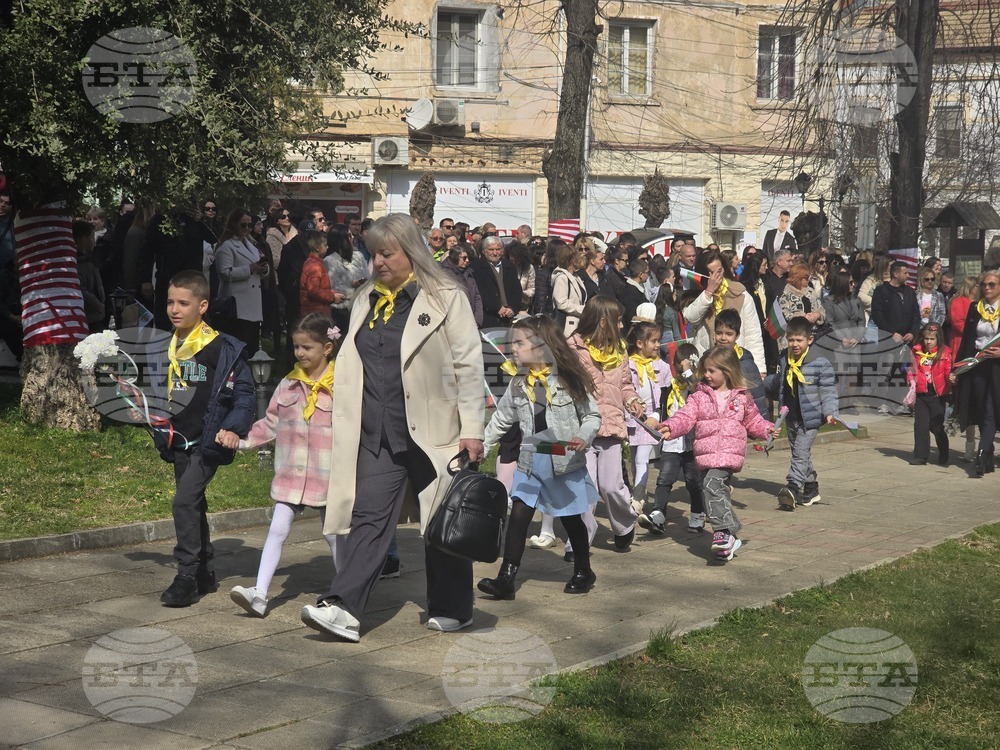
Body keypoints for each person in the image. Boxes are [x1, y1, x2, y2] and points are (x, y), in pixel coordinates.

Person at [300, 213, 484, 642]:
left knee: (442, 522)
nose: (378, 262)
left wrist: (472, 429)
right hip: (376, 431)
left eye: (387, 253)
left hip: (435, 430)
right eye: (373, 253)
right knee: (367, 517)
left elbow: (469, 367)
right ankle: (344, 607)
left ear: (411, 252)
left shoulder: (446, 298)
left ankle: (454, 608)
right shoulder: (366, 298)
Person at [222, 315, 342, 617]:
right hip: (291, 475)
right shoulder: (287, 385)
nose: (300, 353)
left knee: (334, 535)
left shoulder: (343, 385)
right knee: (277, 530)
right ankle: (260, 594)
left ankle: (345, 594)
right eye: (296, 347)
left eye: (307, 347)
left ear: (327, 347)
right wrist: (242, 440)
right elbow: (271, 423)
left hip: (328, 476)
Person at [478, 316, 602, 599]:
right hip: (530, 461)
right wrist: (482, 446)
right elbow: (501, 419)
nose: (513, 349)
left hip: (563, 461)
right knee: (519, 514)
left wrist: (584, 435)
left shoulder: (567, 380)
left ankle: (584, 569)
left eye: (520, 343)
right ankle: (506, 578)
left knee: (571, 518)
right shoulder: (519, 383)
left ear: (541, 347)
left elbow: (592, 414)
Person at [156, 271, 255, 606]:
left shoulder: (221, 347)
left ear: (202, 305)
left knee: (183, 501)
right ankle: (204, 572)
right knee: (193, 505)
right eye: (170, 301)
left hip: (207, 441)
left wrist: (233, 428)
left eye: (183, 303)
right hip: (178, 440)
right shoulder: (168, 344)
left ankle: (185, 576)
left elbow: (244, 395)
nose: (174, 308)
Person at [658, 346, 776, 561]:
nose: (706, 375)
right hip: (705, 455)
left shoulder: (741, 397)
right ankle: (729, 539)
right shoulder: (699, 396)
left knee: (713, 485)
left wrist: (766, 429)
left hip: (729, 454)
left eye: (712, 371)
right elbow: (685, 416)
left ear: (727, 371)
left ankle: (721, 531)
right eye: (705, 370)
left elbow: (753, 420)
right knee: (712, 491)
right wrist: (671, 427)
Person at [566, 297, 645, 554]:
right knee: (585, 487)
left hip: (611, 428)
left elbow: (625, 385)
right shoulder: (573, 348)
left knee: (611, 486)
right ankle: (578, 541)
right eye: (618, 320)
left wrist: (633, 400)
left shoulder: (619, 351)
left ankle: (624, 524)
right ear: (603, 322)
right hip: (582, 431)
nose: (622, 326)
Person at [764, 316, 839, 510]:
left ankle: (792, 487)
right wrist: (757, 384)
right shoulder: (785, 358)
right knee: (801, 453)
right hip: (790, 415)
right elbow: (777, 382)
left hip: (810, 418)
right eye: (791, 340)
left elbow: (829, 390)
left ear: (809, 340)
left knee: (799, 452)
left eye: (799, 340)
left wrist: (830, 412)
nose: (795, 344)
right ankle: (811, 488)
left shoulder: (820, 362)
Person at [639, 342, 704, 534]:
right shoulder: (669, 387)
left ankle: (698, 515)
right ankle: (658, 515)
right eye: (677, 367)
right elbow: (661, 408)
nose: (678, 372)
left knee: (693, 482)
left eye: (682, 368)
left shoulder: (696, 388)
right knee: (664, 478)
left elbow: (698, 390)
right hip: (671, 442)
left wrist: (689, 372)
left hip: (691, 444)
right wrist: (654, 418)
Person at [684, 249, 766, 373]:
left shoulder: (740, 294)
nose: (716, 277)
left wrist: (760, 369)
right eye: (711, 273)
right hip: (707, 364)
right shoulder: (698, 294)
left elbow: (753, 333)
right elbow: (690, 318)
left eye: (719, 271)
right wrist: (708, 292)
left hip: (735, 363)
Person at [951, 269, 1000, 477]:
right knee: (979, 407)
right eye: (984, 285)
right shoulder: (975, 308)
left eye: (992, 285)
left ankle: (982, 453)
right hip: (978, 364)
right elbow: (967, 340)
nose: (987, 288)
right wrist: (958, 368)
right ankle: (987, 451)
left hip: (998, 366)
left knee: (990, 408)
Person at [627, 321, 671, 507]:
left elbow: (666, 395)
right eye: (652, 341)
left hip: (650, 417)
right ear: (639, 343)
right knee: (633, 458)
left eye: (658, 340)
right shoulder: (627, 364)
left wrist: (658, 415)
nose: (657, 345)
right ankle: (638, 489)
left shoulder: (662, 366)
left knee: (641, 458)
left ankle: (637, 499)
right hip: (630, 418)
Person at [215, 208, 268, 352]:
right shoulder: (226, 246)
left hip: (253, 303)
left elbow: (257, 266)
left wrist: (263, 269)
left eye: (249, 225)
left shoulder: (251, 244)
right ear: (233, 224)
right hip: (237, 305)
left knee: (251, 346)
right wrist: (249, 269)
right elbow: (224, 272)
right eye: (243, 225)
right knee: (238, 344)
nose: (247, 229)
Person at [871, 261, 921, 414]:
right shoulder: (881, 291)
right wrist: (892, 332)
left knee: (901, 372)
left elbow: (915, 315)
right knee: (884, 371)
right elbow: (877, 315)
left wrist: (912, 332)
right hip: (888, 339)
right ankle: (882, 403)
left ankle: (897, 402)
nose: (908, 276)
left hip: (906, 342)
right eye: (905, 273)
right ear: (895, 273)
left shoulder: (909, 292)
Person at [906, 322, 952, 466]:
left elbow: (948, 371)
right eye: (926, 339)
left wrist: (952, 378)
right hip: (922, 394)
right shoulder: (916, 352)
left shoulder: (945, 354)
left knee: (936, 426)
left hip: (937, 395)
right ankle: (921, 455)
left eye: (932, 339)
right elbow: (911, 369)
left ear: (938, 339)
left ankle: (944, 451)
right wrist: (911, 380)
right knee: (920, 425)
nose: (929, 342)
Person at [821, 268, 866, 403]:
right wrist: (842, 338)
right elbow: (829, 321)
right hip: (838, 341)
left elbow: (862, 321)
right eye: (850, 283)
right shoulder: (829, 301)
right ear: (842, 283)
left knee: (853, 372)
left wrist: (857, 338)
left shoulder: (856, 300)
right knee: (838, 372)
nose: (853, 285)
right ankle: (836, 402)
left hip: (854, 340)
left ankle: (850, 403)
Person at [714, 309, 766, 416]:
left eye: (729, 334)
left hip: (740, 423)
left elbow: (758, 399)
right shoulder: (709, 361)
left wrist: (764, 428)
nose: (723, 338)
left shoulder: (746, 365)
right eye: (719, 333)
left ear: (737, 335)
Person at [470, 234, 522, 328]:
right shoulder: (476, 267)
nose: (495, 253)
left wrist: (512, 308)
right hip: (487, 317)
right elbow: (480, 292)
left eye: (498, 249)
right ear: (484, 251)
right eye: (491, 250)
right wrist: (496, 308)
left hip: (508, 317)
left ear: (502, 251)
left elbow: (517, 291)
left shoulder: (509, 266)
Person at [324, 223, 368, 332]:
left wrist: (361, 283)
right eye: (348, 236)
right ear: (340, 240)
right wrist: (353, 287)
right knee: (336, 338)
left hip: (359, 306)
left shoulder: (358, 256)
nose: (352, 237)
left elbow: (367, 277)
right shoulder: (329, 260)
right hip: (340, 310)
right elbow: (332, 287)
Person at [777, 263, 825, 352]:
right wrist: (803, 317)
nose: (808, 281)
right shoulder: (785, 295)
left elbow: (820, 308)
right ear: (798, 279)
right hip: (795, 337)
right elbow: (786, 315)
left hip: (813, 335)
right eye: (806, 278)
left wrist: (817, 315)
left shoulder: (811, 291)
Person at [298, 230, 343, 318]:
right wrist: (332, 297)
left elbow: (319, 288)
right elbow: (313, 291)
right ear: (317, 247)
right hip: (316, 313)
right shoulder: (315, 266)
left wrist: (333, 293)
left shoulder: (311, 262)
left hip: (314, 311)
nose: (328, 247)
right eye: (325, 245)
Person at [72, 220, 106, 333]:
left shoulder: (89, 261)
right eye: (92, 237)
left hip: (96, 316)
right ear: (84, 240)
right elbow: (81, 290)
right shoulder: (77, 264)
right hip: (89, 319)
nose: (94, 241)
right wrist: (97, 304)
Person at [439, 244, 483, 327]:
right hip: (455, 323)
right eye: (464, 258)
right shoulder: (445, 274)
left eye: (468, 258)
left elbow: (477, 297)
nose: (467, 260)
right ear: (455, 258)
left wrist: (477, 320)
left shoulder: (468, 272)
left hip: (472, 322)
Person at [551, 241, 587, 336]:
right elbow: (561, 303)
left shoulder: (576, 276)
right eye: (578, 257)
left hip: (578, 324)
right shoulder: (562, 278)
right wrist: (582, 309)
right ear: (572, 260)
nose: (581, 259)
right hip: (566, 326)